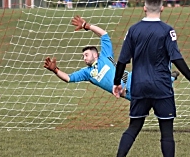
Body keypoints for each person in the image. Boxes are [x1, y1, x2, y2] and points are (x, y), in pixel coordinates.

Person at [111, 0, 190, 157]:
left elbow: (122, 60)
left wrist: (117, 82)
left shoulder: (133, 30)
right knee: (166, 129)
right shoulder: (167, 31)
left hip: (139, 85)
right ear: (162, 8)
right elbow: (176, 58)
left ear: (144, 8)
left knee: (134, 126)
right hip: (161, 86)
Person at [42, 15, 179, 102]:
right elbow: (69, 78)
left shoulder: (105, 56)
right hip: (126, 93)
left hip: (133, 79)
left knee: (157, 88)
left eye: (86, 54)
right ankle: (170, 79)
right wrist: (56, 70)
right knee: (150, 103)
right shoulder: (87, 73)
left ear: (96, 54)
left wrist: (87, 26)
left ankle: (170, 77)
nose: (84, 58)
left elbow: (104, 35)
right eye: (83, 56)